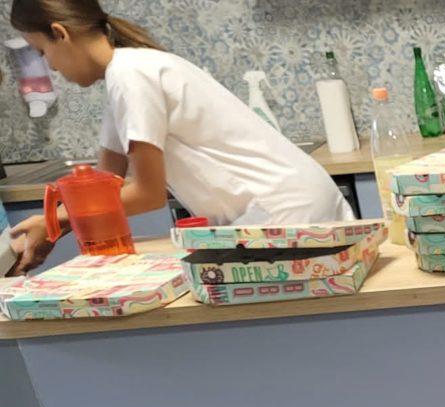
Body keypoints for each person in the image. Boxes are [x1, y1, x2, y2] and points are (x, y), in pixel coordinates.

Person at [7, 0, 353, 274]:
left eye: (42, 52)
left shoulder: (130, 75)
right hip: (291, 203)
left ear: (60, 34)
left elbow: (148, 194)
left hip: (283, 214)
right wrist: (53, 227)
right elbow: (104, 185)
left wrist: (54, 220)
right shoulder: (127, 72)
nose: (51, 67)